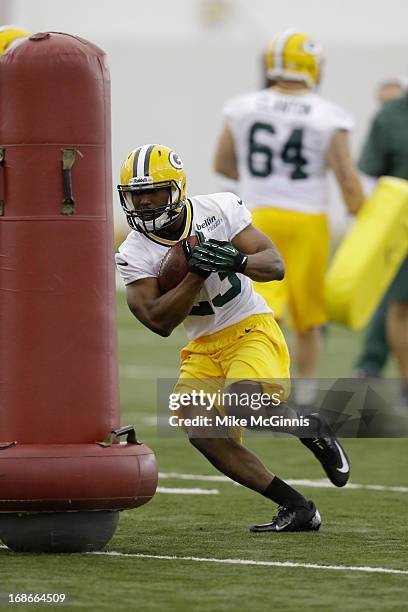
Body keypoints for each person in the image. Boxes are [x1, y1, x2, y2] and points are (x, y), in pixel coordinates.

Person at [115, 143, 350, 533]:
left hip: (249, 328)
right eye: (136, 195)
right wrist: (195, 274)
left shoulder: (218, 209)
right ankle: (297, 508)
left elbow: (274, 265)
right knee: (201, 431)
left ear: (177, 189)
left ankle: (313, 428)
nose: (145, 203)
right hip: (202, 346)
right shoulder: (133, 250)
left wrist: (237, 261)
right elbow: (157, 321)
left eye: (154, 192)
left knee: (245, 404)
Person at [213, 29, 364, 405]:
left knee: (259, 306)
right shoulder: (328, 114)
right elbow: (346, 176)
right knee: (309, 314)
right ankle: (306, 394)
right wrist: (364, 216)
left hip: (255, 216)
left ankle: (257, 384)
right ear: (311, 65)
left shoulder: (242, 107)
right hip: (308, 219)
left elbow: (222, 163)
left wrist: (259, 180)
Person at [354, 82, 408, 402]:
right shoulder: (391, 116)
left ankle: (371, 363)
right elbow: (371, 172)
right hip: (402, 224)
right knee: (399, 302)